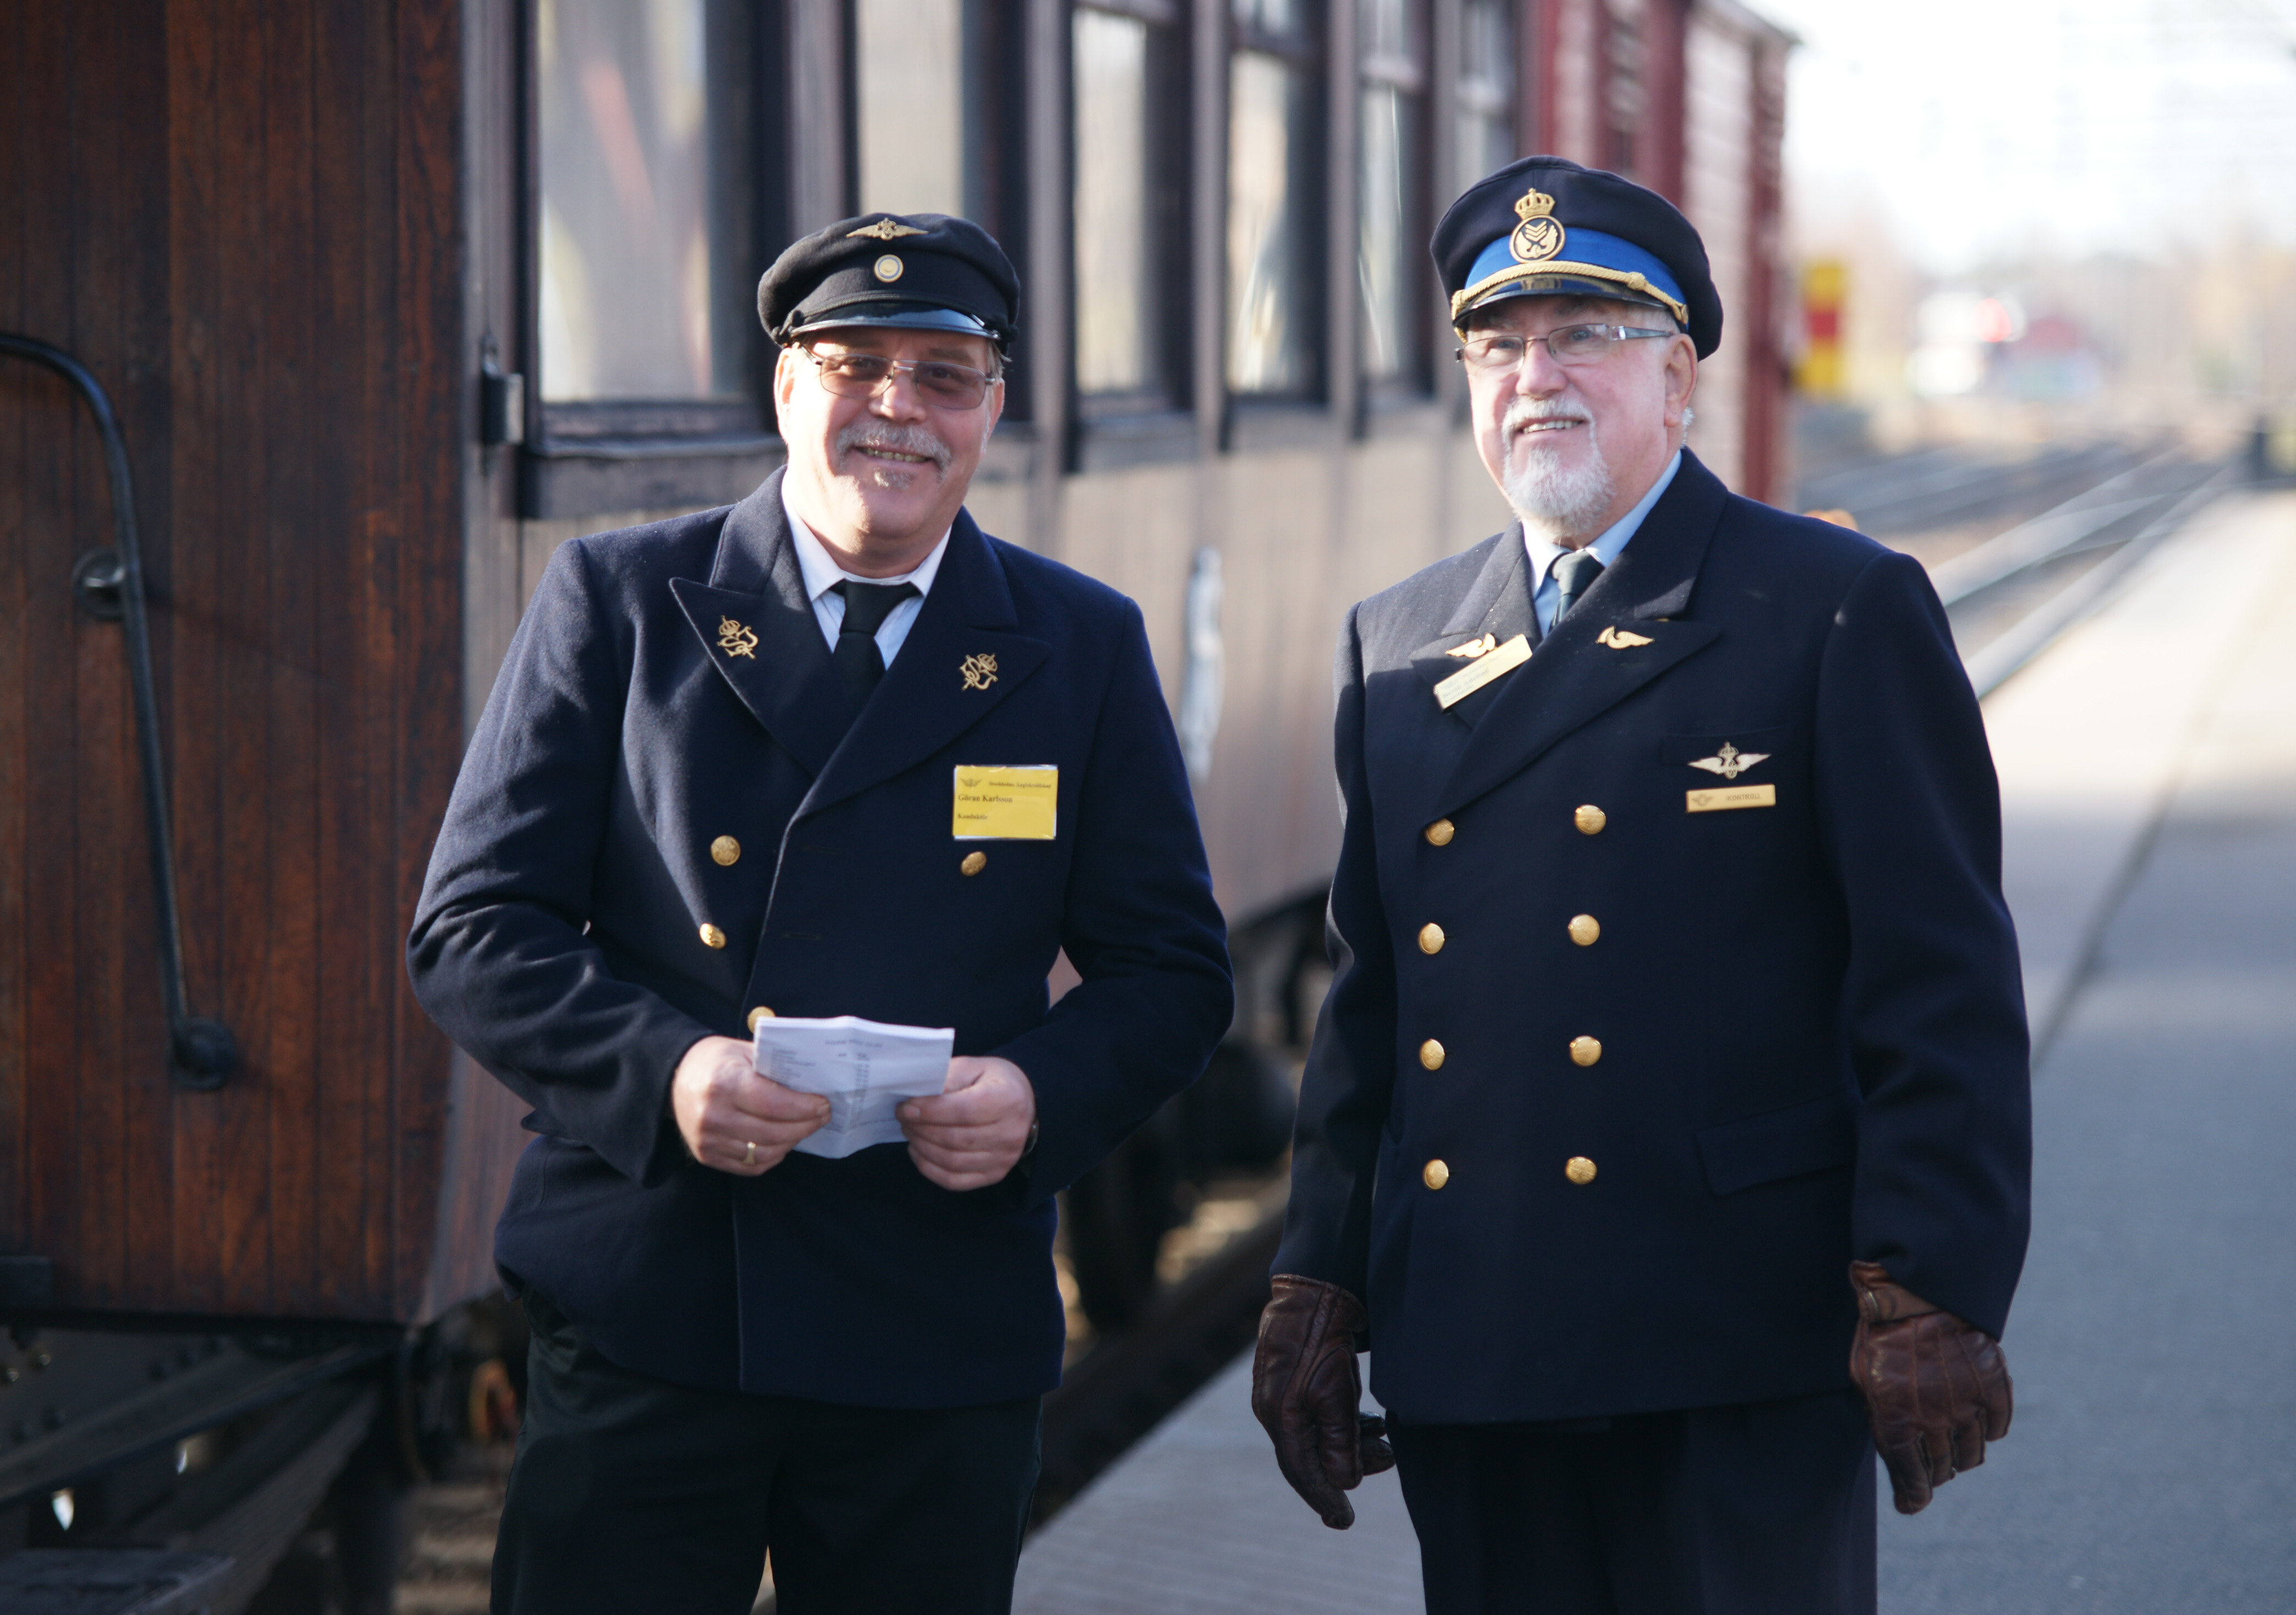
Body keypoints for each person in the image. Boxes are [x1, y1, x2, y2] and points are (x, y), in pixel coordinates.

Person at [408, 212, 1233, 1615]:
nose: (899, 409)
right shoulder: (623, 604)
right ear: (787, 386)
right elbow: (475, 925)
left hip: (934, 1319)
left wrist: (1035, 1094)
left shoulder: (1076, 644)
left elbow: (1172, 970)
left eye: (945, 373)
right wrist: (669, 1071)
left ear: (992, 406)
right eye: (857, 364)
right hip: (657, 1300)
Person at [1251, 155, 2030, 1611]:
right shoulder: (1400, 643)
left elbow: (1938, 983)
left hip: (1732, 1335)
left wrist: (1933, 1283)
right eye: (1500, 344)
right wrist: (1319, 1280)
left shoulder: (1828, 609)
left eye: (1586, 338)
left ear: (1680, 380)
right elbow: (1373, 1007)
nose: (1537, 376)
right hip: (1476, 1343)